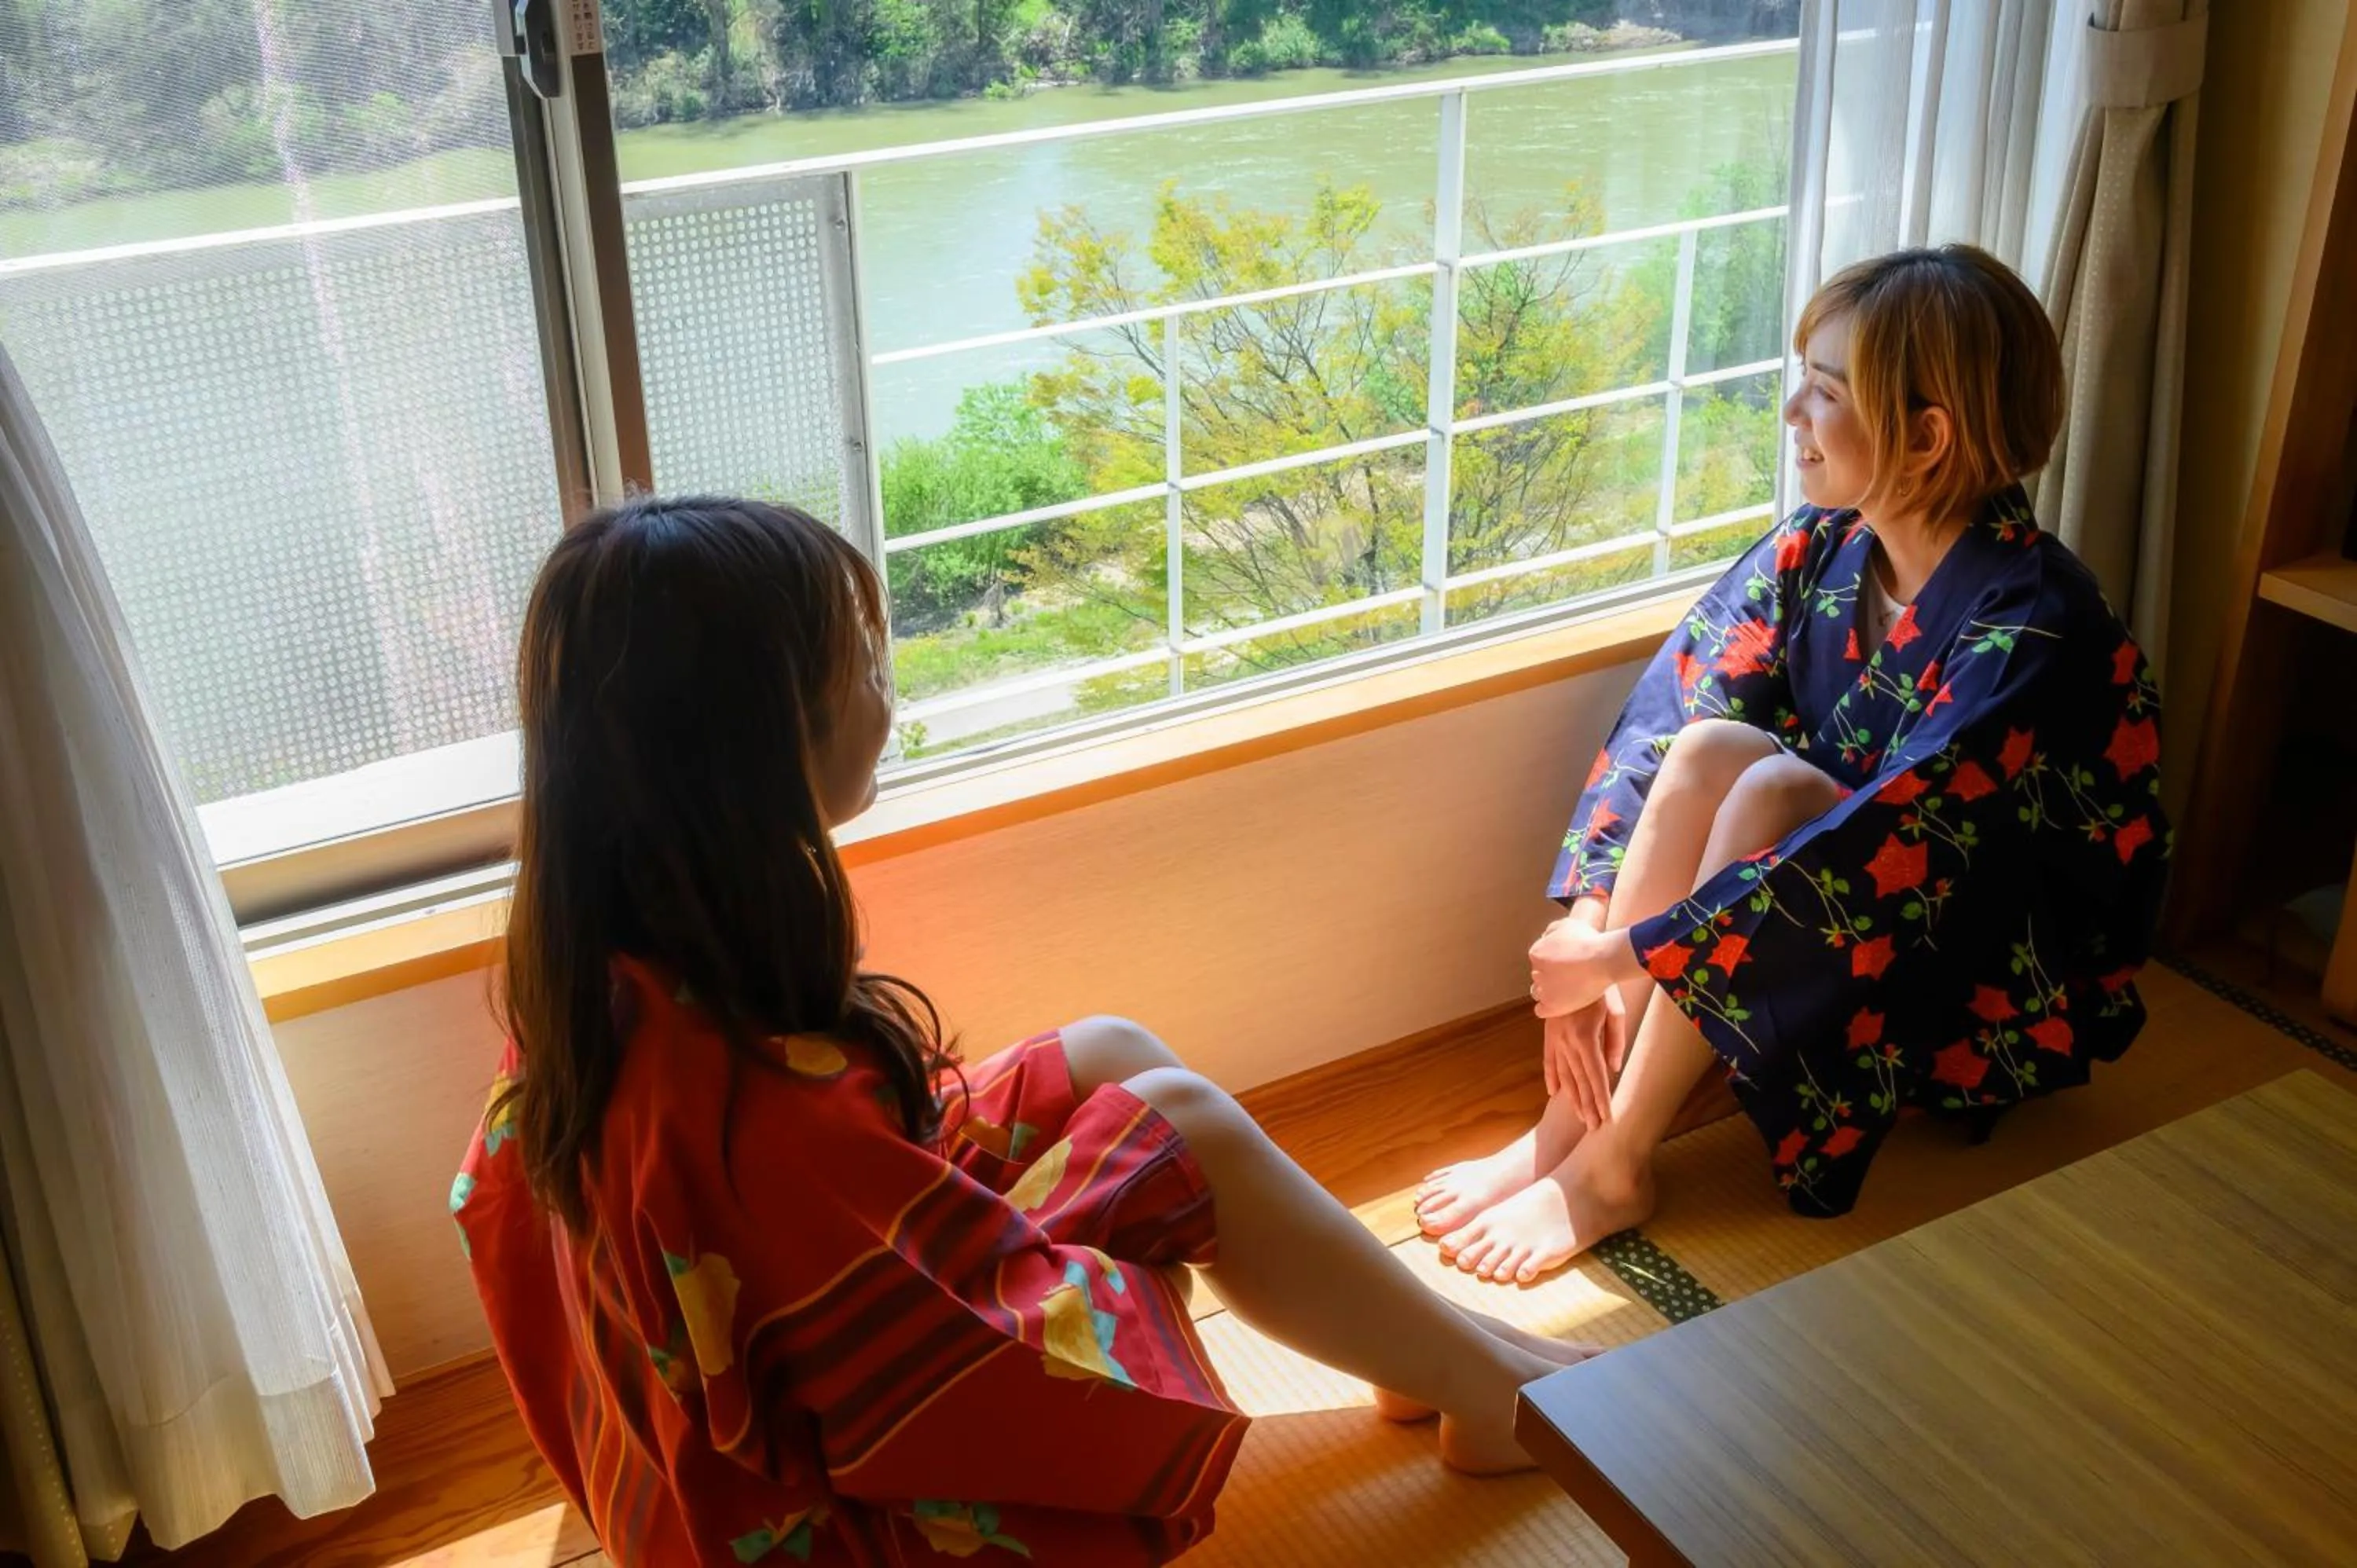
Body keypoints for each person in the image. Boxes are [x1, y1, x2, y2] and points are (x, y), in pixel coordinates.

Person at [452, 497, 1591, 1566]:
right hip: (848, 1521)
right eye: (864, 667)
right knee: (1179, 1131)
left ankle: (1438, 1355)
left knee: (1107, 1049)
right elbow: (928, 1366)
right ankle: (1498, 1396)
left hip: (772, 1378)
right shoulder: (738, 1119)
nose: (888, 692)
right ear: (764, 740)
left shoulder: (602, 971)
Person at [1418, 244, 2170, 1284]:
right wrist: (1590, 921)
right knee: (1713, 747)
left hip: (1975, 961)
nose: (1791, 414)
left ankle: (1619, 1159)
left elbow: (1892, 840)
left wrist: (1623, 956)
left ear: (1927, 436)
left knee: (1774, 785)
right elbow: (1679, 707)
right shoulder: (1824, 544)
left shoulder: (2036, 621)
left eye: (1825, 391)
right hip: (1808, 911)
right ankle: (1570, 1128)